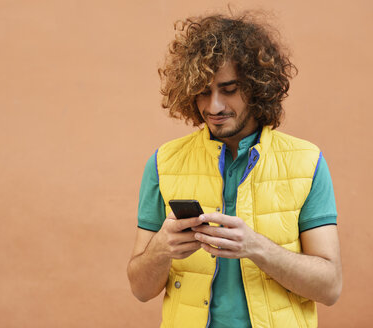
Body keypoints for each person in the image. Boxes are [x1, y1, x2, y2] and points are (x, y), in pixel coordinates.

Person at [127, 12, 342, 328]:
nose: (213, 107)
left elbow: (330, 287)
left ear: (257, 87)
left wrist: (256, 248)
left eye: (229, 89)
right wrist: (161, 249)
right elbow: (140, 289)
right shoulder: (163, 162)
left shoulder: (306, 162)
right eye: (203, 90)